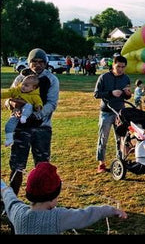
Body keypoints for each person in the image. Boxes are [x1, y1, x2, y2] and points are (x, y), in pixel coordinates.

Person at [1, 162, 127, 234]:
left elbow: (8, 195)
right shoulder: (57, 217)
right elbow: (87, 214)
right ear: (52, 198)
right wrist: (112, 210)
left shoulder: (17, 212)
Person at [6, 49, 60, 197]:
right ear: (29, 62)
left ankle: (42, 202)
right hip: (21, 128)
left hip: (42, 128)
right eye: (34, 61)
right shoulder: (20, 78)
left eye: (41, 62)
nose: (37, 65)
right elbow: (9, 97)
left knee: (42, 167)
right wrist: (11, 105)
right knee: (17, 166)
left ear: (46, 63)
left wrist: (36, 115)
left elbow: (52, 103)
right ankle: (11, 202)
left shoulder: (51, 80)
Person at [93, 55, 131, 173]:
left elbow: (127, 96)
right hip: (106, 112)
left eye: (123, 67)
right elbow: (96, 94)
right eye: (118, 66)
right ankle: (101, 163)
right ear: (113, 65)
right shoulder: (104, 77)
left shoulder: (126, 78)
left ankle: (119, 161)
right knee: (103, 138)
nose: (120, 69)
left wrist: (128, 94)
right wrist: (111, 93)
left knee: (120, 138)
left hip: (120, 113)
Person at [2, 73, 44, 148]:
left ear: (33, 88)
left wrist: (38, 106)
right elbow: (8, 93)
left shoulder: (35, 96)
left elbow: (38, 102)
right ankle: (9, 139)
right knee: (8, 125)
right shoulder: (16, 91)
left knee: (29, 105)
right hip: (16, 112)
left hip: (27, 113)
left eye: (26, 85)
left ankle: (24, 117)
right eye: (23, 84)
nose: (23, 86)